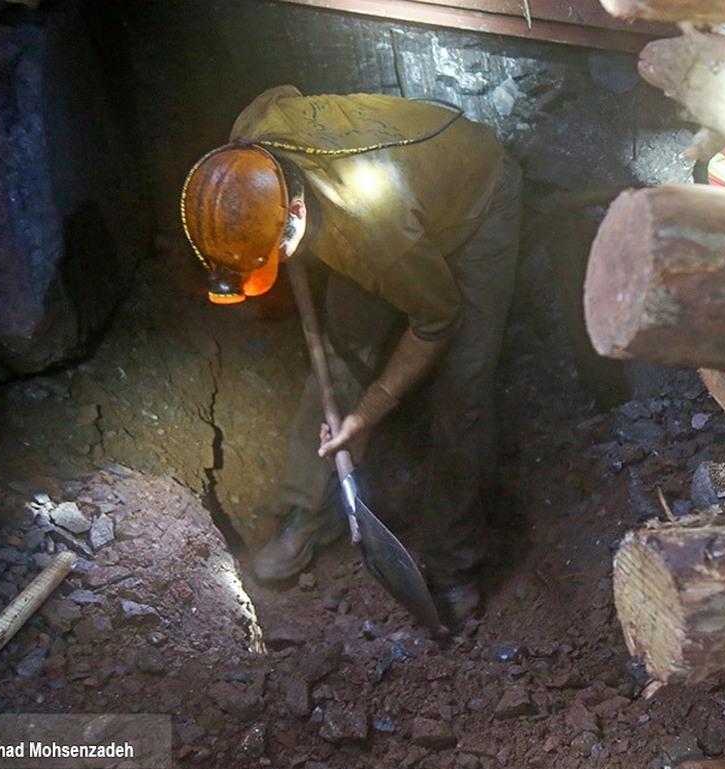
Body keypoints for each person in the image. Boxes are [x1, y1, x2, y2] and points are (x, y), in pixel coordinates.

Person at [180, 85, 522, 630]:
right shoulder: (246, 153)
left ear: (295, 213)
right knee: (339, 353)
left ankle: (453, 564)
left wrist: (369, 413)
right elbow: (279, 93)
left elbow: (439, 320)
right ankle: (307, 512)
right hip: (385, 194)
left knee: (464, 391)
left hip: (475, 201)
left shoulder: (373, 233)